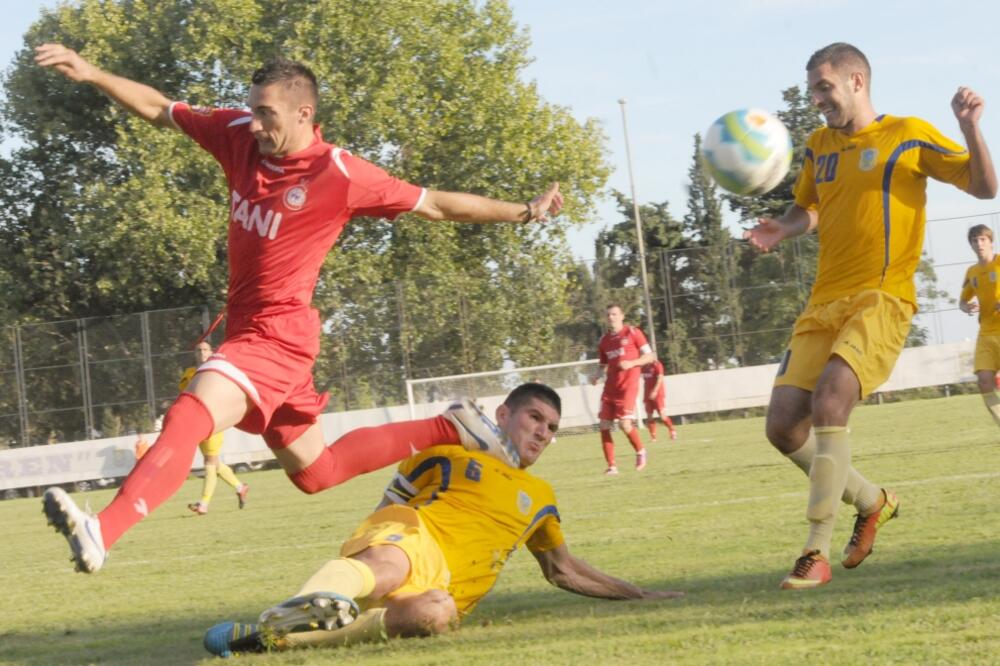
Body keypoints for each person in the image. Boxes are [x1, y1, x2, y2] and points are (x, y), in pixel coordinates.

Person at [36, 44, 563, 574]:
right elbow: (160, 108)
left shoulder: (340, 172)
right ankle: (449, 428)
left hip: (275, 336)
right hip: (253, 334)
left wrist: (524, 212)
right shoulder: (238, 134)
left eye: (266, 114)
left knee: (190, 413)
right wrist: (92, 73)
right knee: (317, 471)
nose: (255, 125)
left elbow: (436, 204)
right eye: (252, 110)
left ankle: (102, 529)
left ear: (303, 113)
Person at [743, 42, 996, 590]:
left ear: (856, 82)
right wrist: (782, 227)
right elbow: (808, 207)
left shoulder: (907, 135)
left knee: (830, 400)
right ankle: (872, 501)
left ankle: (815, 551)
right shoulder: (818, 146)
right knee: (783, 426)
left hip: (881, 297)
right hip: (823, 302)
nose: (816, 100)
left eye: (824, 87)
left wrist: (970, 128)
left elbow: (984, 187)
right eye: (812, 90)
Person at [201, 383, 682, 657]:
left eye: (551, 428)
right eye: (534, 418)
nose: (542, 432)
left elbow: (563, 570)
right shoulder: (451, 449)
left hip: (444, 590)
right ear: (503, 414)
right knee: (392, 562)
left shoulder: (541, 497)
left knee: (435, 614)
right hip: (413, 539)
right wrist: (378, 548)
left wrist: (638, 593)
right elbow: (391, 502)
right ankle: (311, 600)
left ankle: (277, 637)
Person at [179, 341, 249, 515]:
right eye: (199, 350)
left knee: (209, 462)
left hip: (213, 419)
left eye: (205, 349)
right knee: (214, 462)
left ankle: (203, 504)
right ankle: (240, 487)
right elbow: (184, 395)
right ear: (194, 353)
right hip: (196, 421)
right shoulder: (189, 373)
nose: (202, 352)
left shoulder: (216, 372)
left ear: (211, 352)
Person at [590, 304, 656, 475]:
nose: (611, 317)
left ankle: (641, 451)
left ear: (622, 316)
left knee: (624, 424)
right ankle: (612, 466)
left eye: (614, 314)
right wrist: (596, 375)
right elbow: (602, 365)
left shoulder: (633, 333)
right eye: (608, 315)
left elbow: (650, 356)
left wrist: (632, 363)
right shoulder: (604, 340)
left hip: (628, 386)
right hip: (610, 387)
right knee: (604, 425)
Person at [959, 224, 1000, 427]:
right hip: (986, 334)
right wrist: (965, 306)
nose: (979, 244)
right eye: (975, 240)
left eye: (983, 239)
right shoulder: (972, 272)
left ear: (991, 242)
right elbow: (962, 300)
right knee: (984, 382)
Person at [641, 359, 677, 441]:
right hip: (647, 394)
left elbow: (660, 378)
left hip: (657, 394)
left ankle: (672, 430)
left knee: (662, 416)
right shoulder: (643, 366)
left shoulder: (657, 364)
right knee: (649, 416)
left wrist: (655, 391)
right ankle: (653, 437)